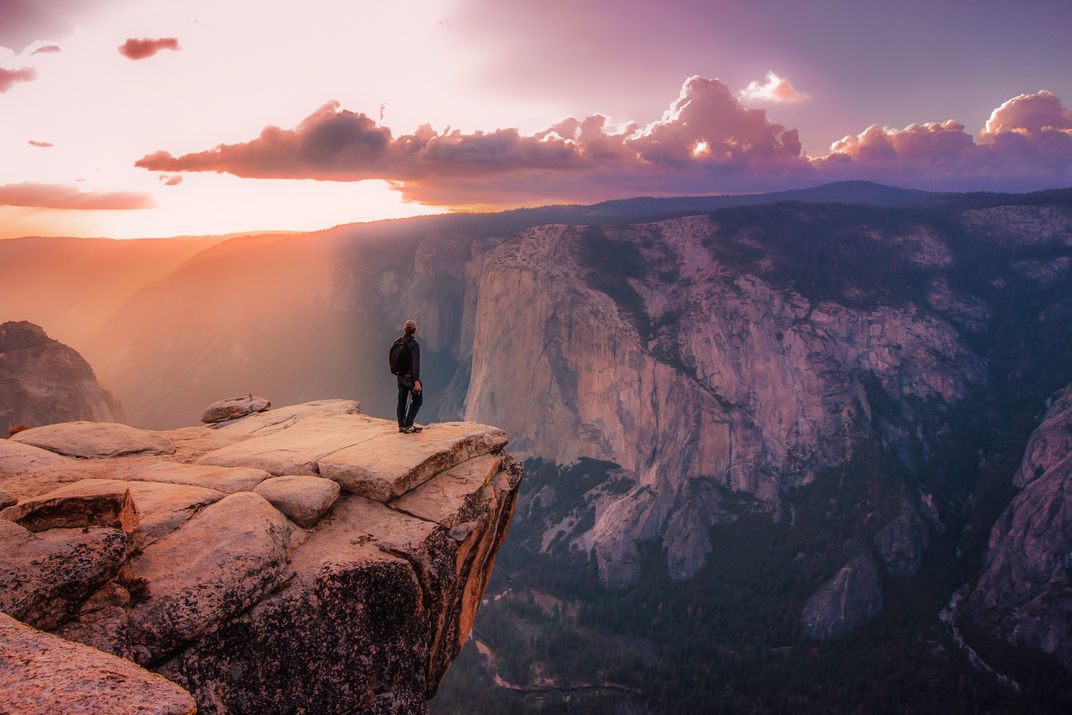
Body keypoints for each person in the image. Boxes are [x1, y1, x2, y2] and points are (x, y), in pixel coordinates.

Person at [393, 320, 423, 433]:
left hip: (399, 377)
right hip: (410, 378)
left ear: (405, 330)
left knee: (402, 400)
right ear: (415, 330)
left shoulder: (397, 342)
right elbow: (415, 364)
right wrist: (416, 381)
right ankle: (408, 424)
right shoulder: (414, 345)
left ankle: (401, 425)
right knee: (418, 400)